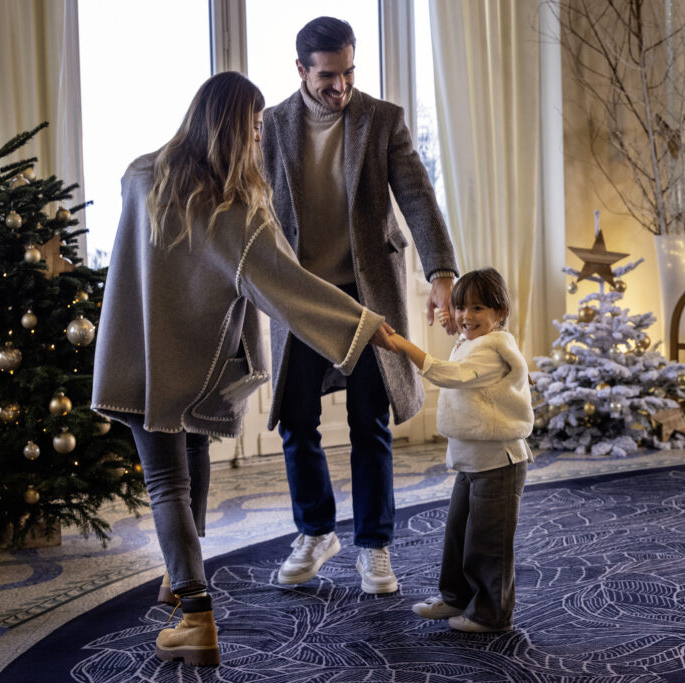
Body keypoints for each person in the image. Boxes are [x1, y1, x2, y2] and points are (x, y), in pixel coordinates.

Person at [92, 71, 394, 667]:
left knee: (168, 482)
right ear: (230, 128)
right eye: (254, 127)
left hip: (140, 356)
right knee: (180, 471)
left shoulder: (139, 178)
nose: (259, 137)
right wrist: (362, 323)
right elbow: (290, 288)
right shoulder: (237, 208)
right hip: (202, 364)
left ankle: (187, 590)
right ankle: (192, 605)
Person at [260, 15, 458, 595]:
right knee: (297, 419)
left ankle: (373, 544)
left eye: (348, 72)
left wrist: (441, 273)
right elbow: (249, 205)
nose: (340, 85)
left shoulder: (383, 119)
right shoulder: (271, 125)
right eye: (327, 75)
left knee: (369, 420)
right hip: (301, 296)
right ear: (301, 70)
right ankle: (315, 531)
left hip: (366, 294)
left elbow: (417, 197)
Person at [386, 268, 534, 633]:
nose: (467, 316)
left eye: (478, 308)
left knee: (487, 543)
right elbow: (462, 344)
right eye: (461, 308)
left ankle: (491, 614)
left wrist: (403, 345)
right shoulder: (471, 342)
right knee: (457, 535)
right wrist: (455, 319)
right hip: (471, 461)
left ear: (500, 312)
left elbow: (451, 375)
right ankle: (456, 597)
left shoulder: (494, 349)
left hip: (498, 463)